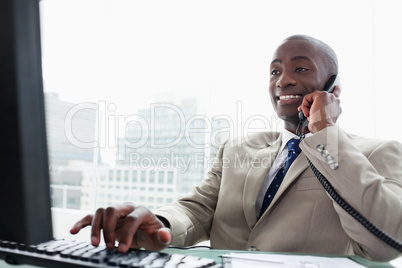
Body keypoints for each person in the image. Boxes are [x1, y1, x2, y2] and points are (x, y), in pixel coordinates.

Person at [70, 34, 402, 262]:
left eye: (300, 68)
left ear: (334, 89)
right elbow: (198, 210)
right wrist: (160, 223)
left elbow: (387, 241)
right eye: (275, 71)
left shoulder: (377, 152)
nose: (282, 80)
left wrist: (325, 133)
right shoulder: (237, 148)